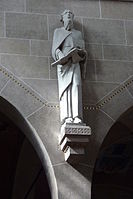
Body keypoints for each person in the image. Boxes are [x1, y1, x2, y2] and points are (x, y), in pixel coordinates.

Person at [52, 10, 87, 125]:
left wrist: (81, 52)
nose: (68, 15)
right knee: (66, 89)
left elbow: (83, 49)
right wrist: (61, 55)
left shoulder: (78, 33)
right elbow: (55, 48)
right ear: (62, 18)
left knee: (76, 85)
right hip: (64, 63)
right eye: (66, 14)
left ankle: (76, 115)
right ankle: (67, 116)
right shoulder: (58, 32)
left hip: (75, 61)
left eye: (70, 14)